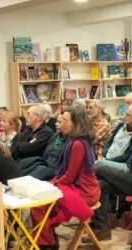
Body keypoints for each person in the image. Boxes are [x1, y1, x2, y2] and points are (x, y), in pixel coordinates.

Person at [30, 105, 100, 249]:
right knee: (41, 199)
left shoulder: (77, 144)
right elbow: (66, 176)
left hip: (84, 191)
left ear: (76, 124)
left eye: (65, 120)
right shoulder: (73, 140)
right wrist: (51, 184)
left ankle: (46, 244)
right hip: (76, 187)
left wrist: (50, 185)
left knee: (39, 205)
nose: (62, 123)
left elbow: (68, 177)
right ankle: (48, 239)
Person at [17, 114, 66, 181]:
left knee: (29, 179)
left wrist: (23, 145)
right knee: (22, 169)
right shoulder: (55, 135)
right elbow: (46, 153)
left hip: (55, 170)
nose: (56, 124)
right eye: (57, 121)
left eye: (59, 122)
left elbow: (30, 148)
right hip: (44, 163)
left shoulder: (47, 132)